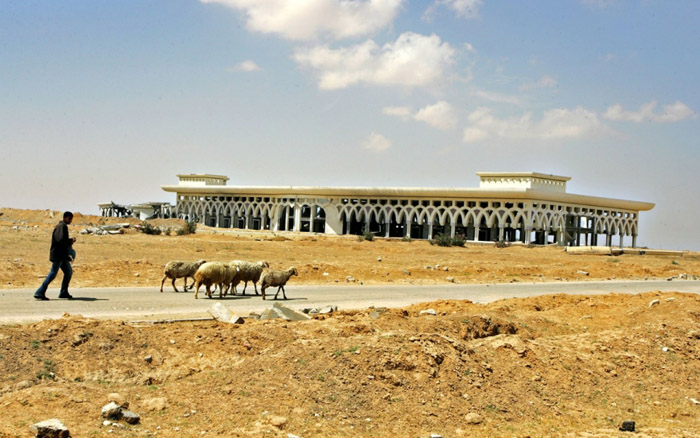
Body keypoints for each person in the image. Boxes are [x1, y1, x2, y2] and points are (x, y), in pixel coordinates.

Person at [34, 211, 76, 300]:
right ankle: (40, 292)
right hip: (58, 255)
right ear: (65, 218)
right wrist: (70, 241)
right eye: (69, 219)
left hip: (62, 256)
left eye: (71, 219)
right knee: (53, 273)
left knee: (68, 272)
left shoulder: (62, 227)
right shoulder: (62, 226)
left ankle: (64, 292)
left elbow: (61, 240)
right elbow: (60, 240)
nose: (70, 220)